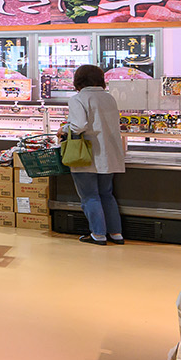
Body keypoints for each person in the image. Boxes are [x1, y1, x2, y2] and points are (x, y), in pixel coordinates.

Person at [65, 63, 125, 245]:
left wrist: (64, 129)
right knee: (107, 194)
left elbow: (79, 125)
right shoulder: (109, 98)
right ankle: (116, 234)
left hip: (87, 154)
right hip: (110, 153)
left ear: (78, 80)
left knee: (90, 195)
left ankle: (98, 234)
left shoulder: (78, 99)